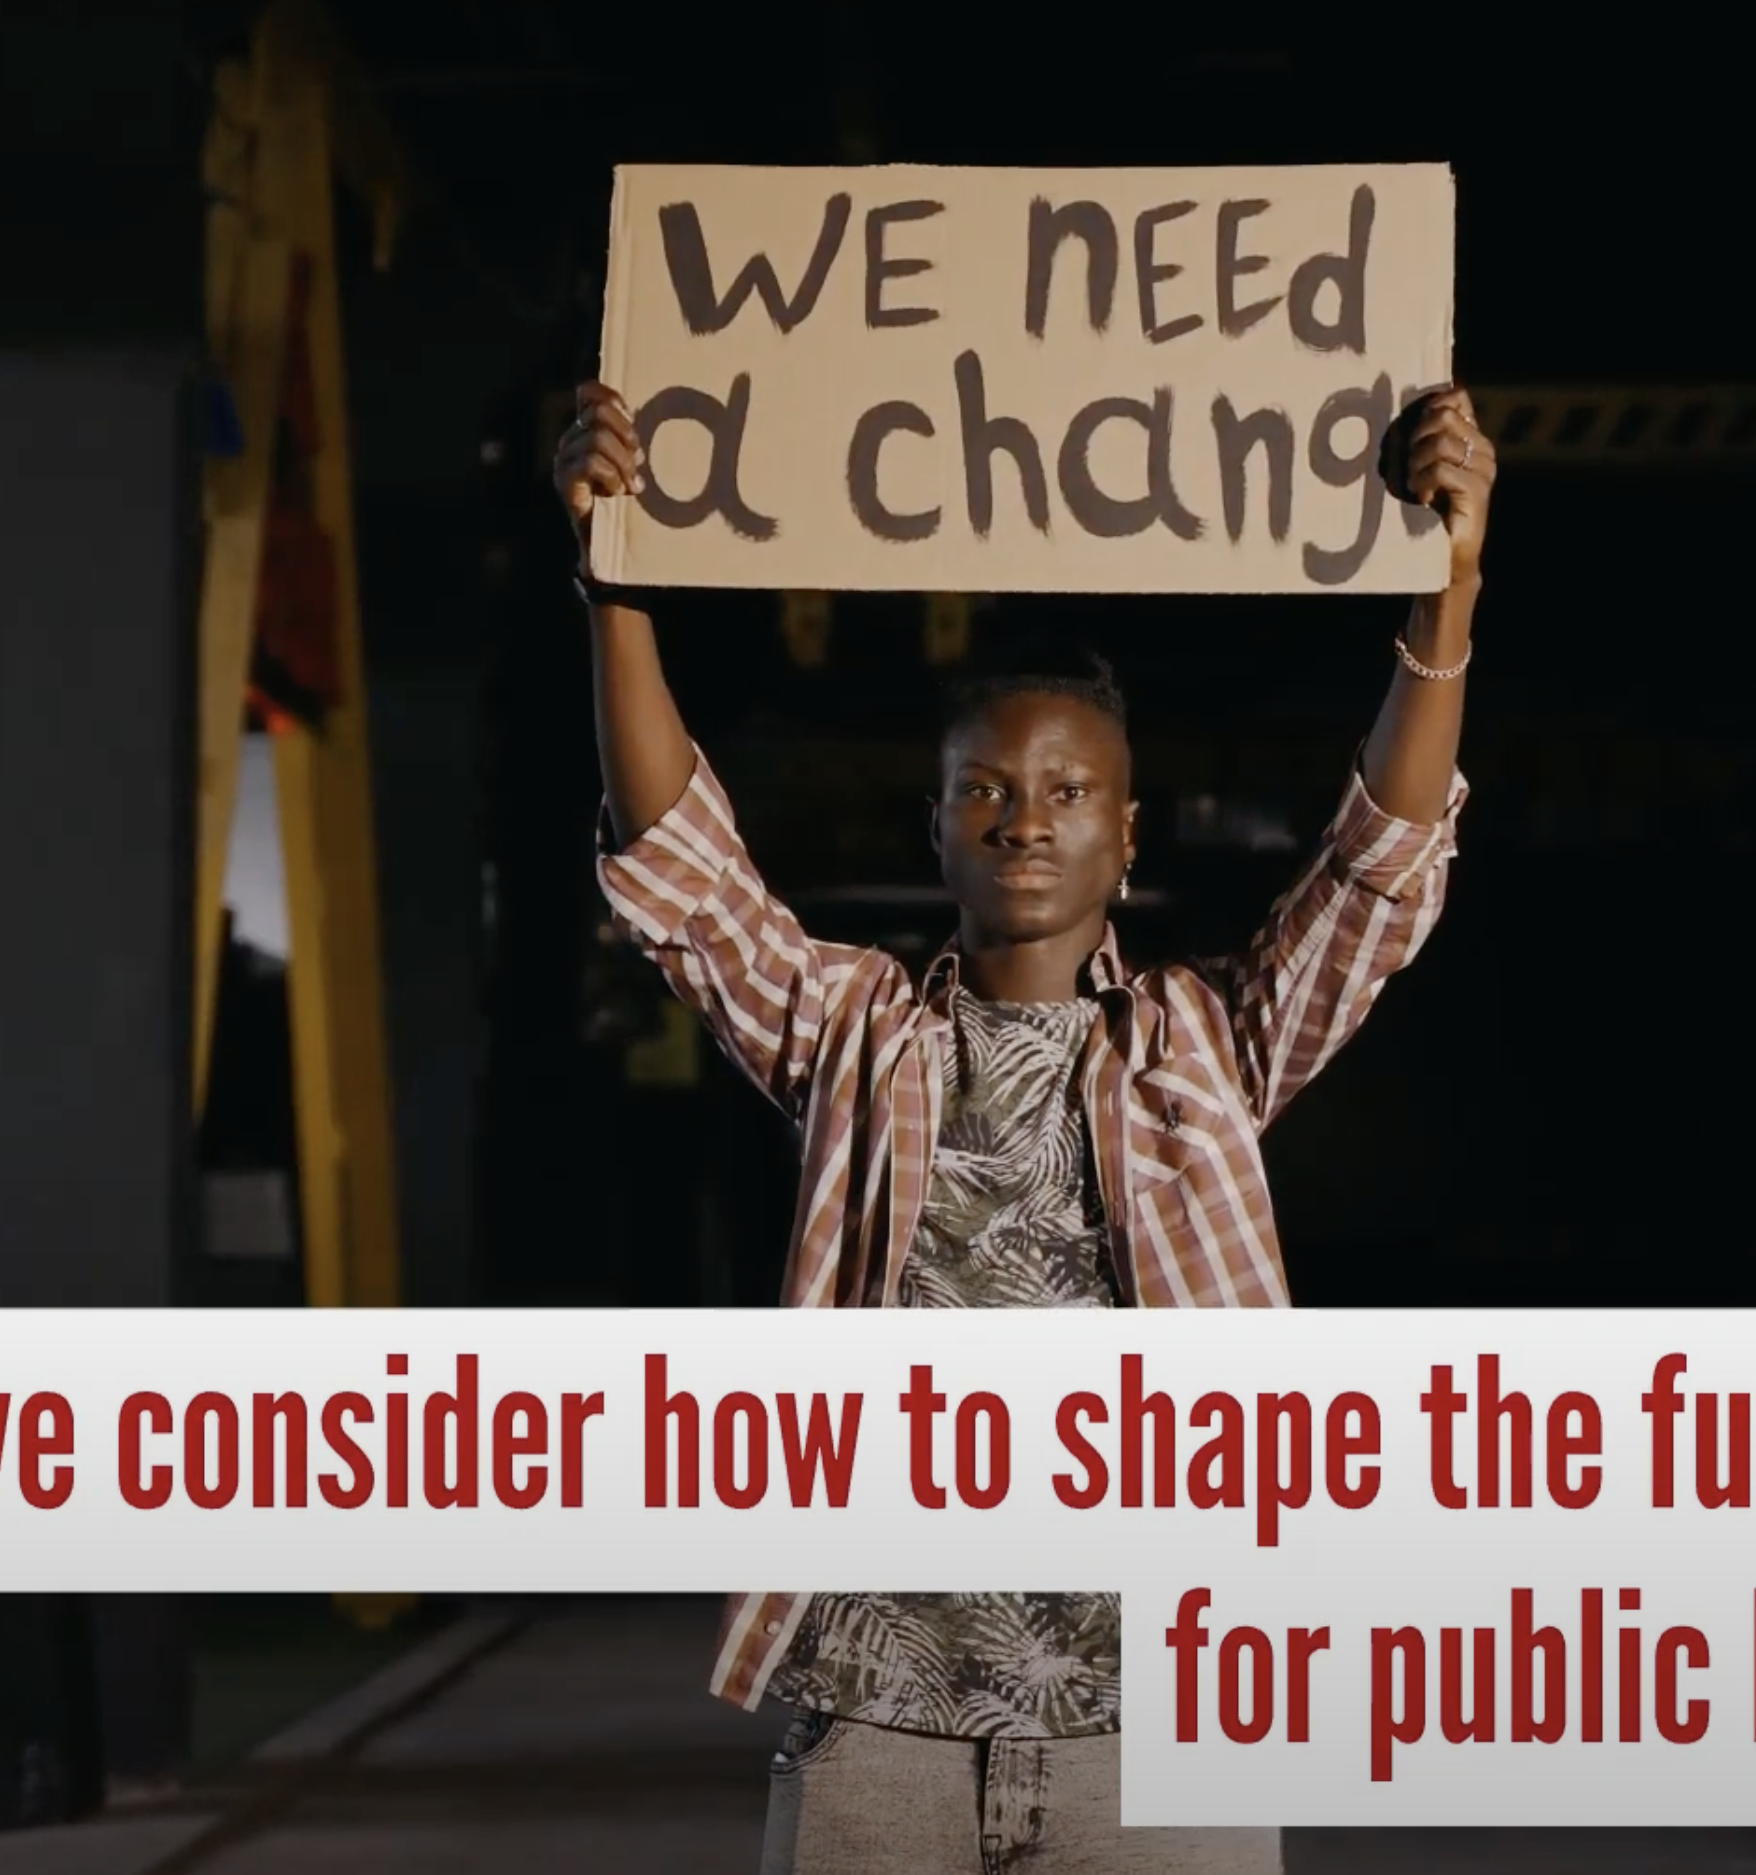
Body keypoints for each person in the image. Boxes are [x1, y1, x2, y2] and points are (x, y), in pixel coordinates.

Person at [557, 375, 1496, 1874]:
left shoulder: (1205, 1041)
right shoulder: (857, 1031)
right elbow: (685, 871)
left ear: (1128, 832)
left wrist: (1445, 593)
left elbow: (1377, 872)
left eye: (1069, 787)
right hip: (880, 1729)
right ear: (934, 826)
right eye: (983, 788)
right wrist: (614, 583)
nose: (1025, 815)